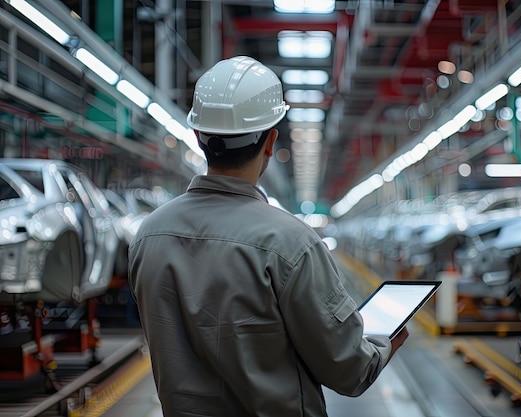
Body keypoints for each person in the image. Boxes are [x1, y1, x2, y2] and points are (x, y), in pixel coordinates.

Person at [128, 56, 408, 417]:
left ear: (198, 137)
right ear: (271, 141)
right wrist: (382, 345)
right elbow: (349, 369)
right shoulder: (291, 243)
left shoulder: (149, 234)